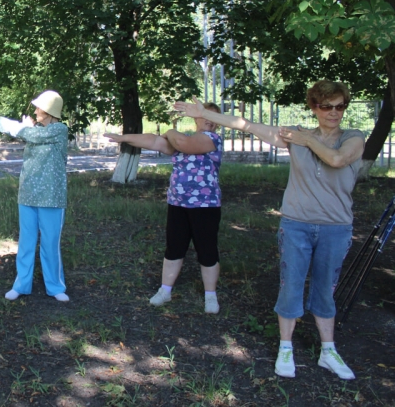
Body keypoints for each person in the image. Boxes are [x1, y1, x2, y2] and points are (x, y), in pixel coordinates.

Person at [175, 80, 364, 380]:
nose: (333, 112)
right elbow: (247, 125)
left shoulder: (353, 137)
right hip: (296, 225)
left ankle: (328, 351)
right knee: (290, 285)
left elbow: (337, 159)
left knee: (325, 289)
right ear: (314, 107)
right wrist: (204, 113)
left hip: (336, 228)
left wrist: (305, 139)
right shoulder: (295, 136)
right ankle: (285, 348)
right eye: (326, 106)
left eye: (339, 106)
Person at [104, 102, 224, 314]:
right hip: (177, 203)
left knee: (207, 251)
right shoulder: (181, 140)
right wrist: (123, 138)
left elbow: (183, 143)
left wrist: (169, 131)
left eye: (213, 117)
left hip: (205, 206)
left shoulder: (211, 139)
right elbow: (153, 141)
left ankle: (210, 297)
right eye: (205, 115)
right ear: (196, 118)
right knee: (174, 249)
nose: (209, 120)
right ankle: (165, 291)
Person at [0, 91, 70, 302]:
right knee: (26, 242)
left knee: (50, 243)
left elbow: (28, 134)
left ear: (49, 111)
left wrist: (25, 128)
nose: (35, 111)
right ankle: (21, 285)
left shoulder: (59, 130)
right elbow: (6, 125)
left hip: (52, 197)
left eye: (39, 107)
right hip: (28, 194)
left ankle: (56, 287)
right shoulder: (32, 129)